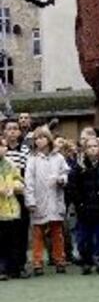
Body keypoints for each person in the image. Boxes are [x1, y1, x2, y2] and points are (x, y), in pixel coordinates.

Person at [69, 137, 99, 274]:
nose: (93, 149)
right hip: (84, 210)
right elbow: (72, 187)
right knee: (84, 238)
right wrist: (79, 202)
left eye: (95, 146)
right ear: (85, 150)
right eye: (90, 146)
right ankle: (87, 261)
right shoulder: (78, 168)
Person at [24, 126, 69, 276]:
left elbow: (66, 174)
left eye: (42, 137)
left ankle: (60, 260)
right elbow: (28, 181)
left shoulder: (59, 158)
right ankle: (37, 262)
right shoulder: (32, 159)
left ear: (48, 139)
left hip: (55, 200)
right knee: (38, 234)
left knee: (57, 233)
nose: (39, 141)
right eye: (36, 138)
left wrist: (60, 180)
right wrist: (30, 200)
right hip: (39, 200)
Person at [4, 118, 31, 278]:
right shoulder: (2, 150)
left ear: (20, 132)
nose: (13, 131)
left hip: (20, 196)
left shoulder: (25, 150)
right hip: (3, 198)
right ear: (4, 132)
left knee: (20, 231)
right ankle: (6, 267)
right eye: (9, 128)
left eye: (15, 128)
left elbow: (27, 173)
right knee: (5, 232)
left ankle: (20, 265)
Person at [0, 136, 24, 281]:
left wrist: (15, 187)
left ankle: (14, 269)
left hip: (12, 210)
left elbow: (19, 180)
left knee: (14, 241)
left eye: (2, 145)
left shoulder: (10, 164)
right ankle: (1, 269)